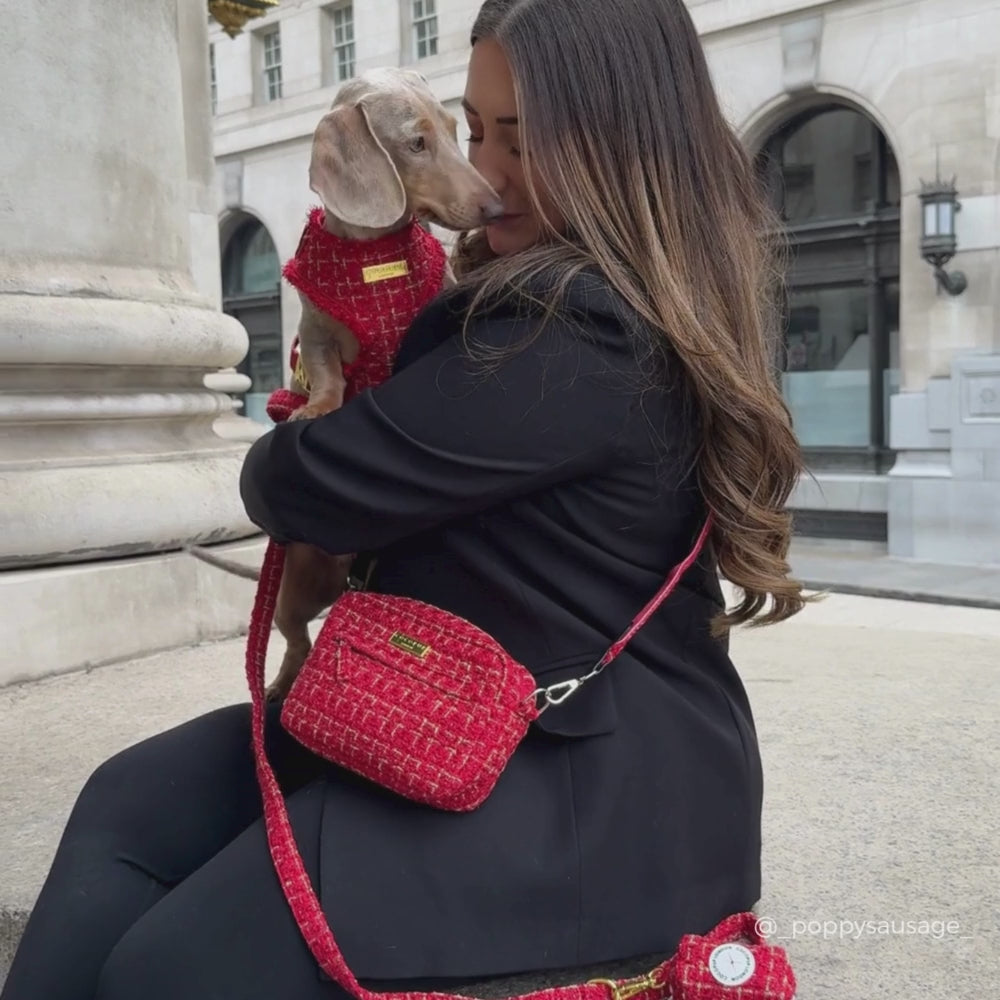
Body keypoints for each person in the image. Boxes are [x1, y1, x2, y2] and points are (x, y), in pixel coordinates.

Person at [1, 2, 807, 998]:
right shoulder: (583, 299)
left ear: (620, 146)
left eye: (521, 139)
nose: (485, 172)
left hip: (588, 794)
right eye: (473, 131)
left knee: (167, 970)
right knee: (131, 800)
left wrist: (316, 417)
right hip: (438, 706)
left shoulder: (577, 330)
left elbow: (299, 483)